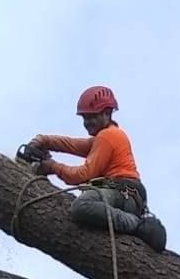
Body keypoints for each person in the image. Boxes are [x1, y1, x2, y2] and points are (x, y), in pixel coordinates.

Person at [27, 86, 167, 252]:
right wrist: (42, 140)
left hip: (122, 193)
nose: (87, 123)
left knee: (82, 205)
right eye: (85, 118)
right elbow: (71, 144)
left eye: (91, 117)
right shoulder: (106, 136)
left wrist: (52, 166)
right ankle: (128, 221)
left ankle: (134, 224)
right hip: (127, 195)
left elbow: (82, 174)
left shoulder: (107, 137)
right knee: (86, 204)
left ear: (107, 113)